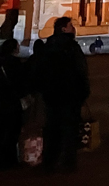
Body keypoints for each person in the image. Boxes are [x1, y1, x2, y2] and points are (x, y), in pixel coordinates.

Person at [38, 17, 90, 172]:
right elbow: (81, 71)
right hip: (70, 95)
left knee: (52, 128)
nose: (73, 28)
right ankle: (68, 162)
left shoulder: (48, 46)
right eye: (70, 26)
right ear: (64, 29)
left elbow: (40, 70)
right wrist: (84, 92)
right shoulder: (71, 47)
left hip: (52, 95)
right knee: (69, 129)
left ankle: (49, 161)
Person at [0, 39, 25, 171]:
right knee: (12, 133)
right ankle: (10, 160)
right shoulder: (14, 64)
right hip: (11, 104)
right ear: (14, 49)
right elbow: (20, 84)